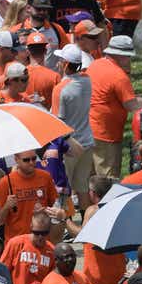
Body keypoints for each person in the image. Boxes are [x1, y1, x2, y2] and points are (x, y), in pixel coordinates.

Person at [87, 35, 142, 178]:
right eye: (127, 56)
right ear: (119, 56)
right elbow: (131, 105)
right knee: (107, 180)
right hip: (106, 134)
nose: (129, 60)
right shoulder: (119, 76)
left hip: (87, 129)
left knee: (90, 177)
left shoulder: (95, 65)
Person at [50, 45, 93, 211]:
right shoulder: (87, 80)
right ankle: (85, 225)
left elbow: (56, 123)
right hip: (87, 142)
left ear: (66, 64)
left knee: (64, 189)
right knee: (82, 189)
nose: (58, 63)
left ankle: (65, 224)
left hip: (69, 146)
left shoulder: (60, 89)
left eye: (60, 61)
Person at [0, 150, 57, 241]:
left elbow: (55, 207)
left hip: (41, 240)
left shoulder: (45, 177)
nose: (31, 162)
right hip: (17, 242)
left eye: (34, 158)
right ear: (16, 160)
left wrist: (46, 211)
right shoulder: (6, 182)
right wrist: (6, 207)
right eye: (26, 160)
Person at [0, 211, 55, 284]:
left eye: (44, 233)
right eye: (37, 233)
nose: (40, 237)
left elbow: (52, 282)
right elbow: (2, 273)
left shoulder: (51, 251)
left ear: (49, 231)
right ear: (31, 227)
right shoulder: (16, 244)